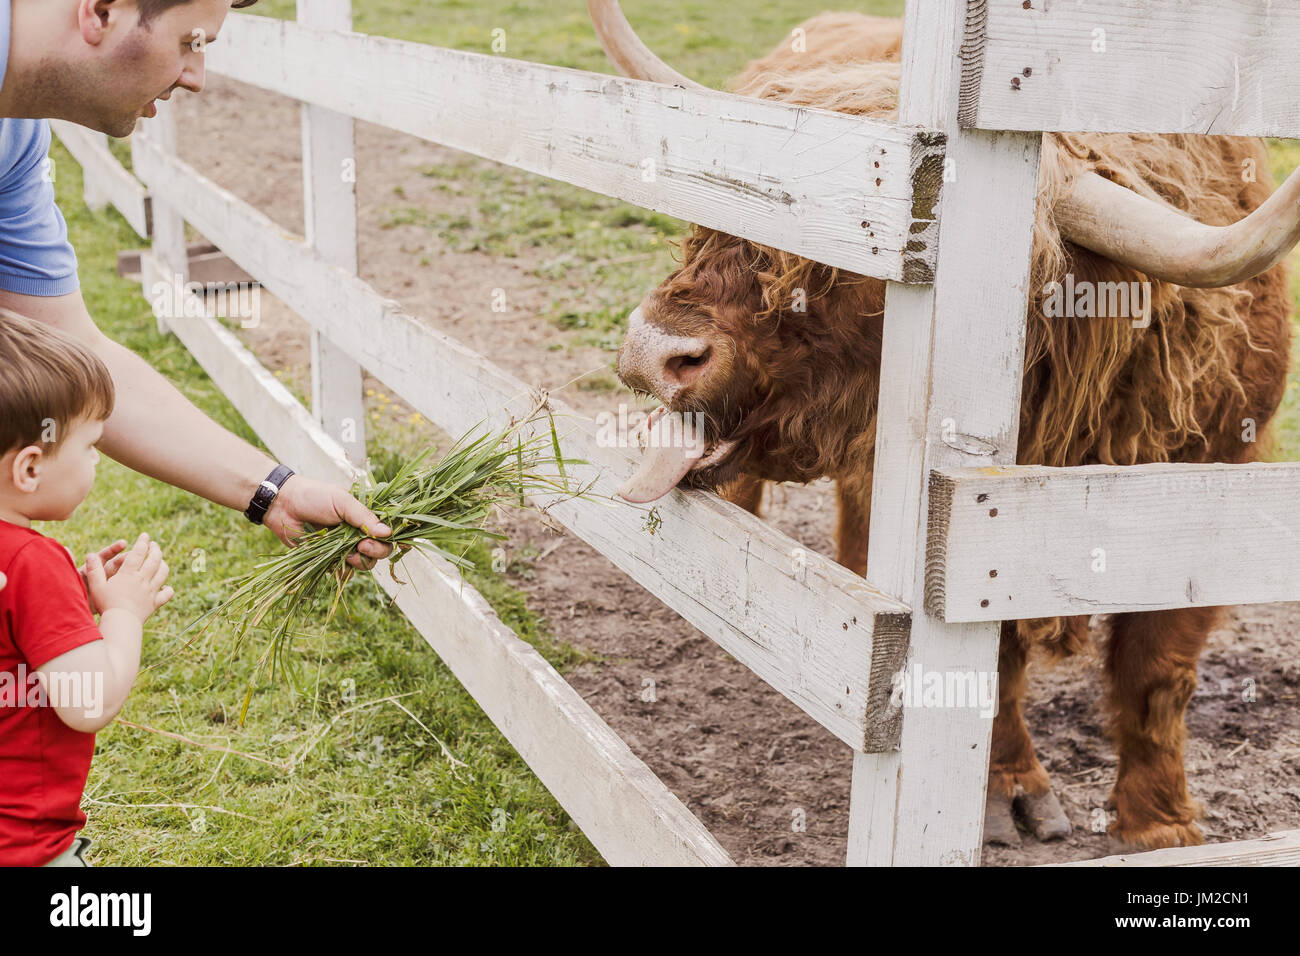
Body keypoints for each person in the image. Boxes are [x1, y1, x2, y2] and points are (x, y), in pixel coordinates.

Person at [0, 0, 392, 566]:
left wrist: (274, 490)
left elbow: (76, 353)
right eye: (189, 42)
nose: (197, 78)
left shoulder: (15, 141)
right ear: (102, 11)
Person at [0, 312, 173, 867]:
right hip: (23, 850)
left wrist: (63, 604)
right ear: (30, 468)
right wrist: (123, 612)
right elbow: (86, 700)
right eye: (91, 447)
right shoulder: (30, 562)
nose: (97, 462)